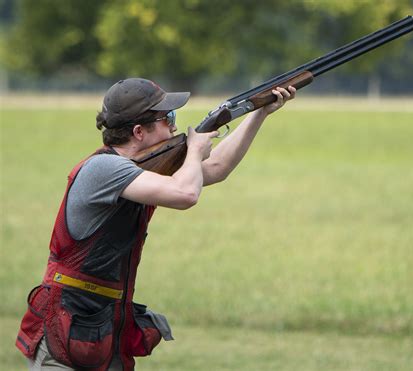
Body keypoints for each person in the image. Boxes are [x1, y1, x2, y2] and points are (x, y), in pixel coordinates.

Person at [16, 78, 296, 370]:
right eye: (168, 118)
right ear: (138, 132)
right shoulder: (104, 168)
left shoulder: (140, 170)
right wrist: (194, 151)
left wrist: (258, 113)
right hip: (67, 332)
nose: (174, 126)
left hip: (103, 328)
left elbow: (216, 168)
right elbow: (186, 193)